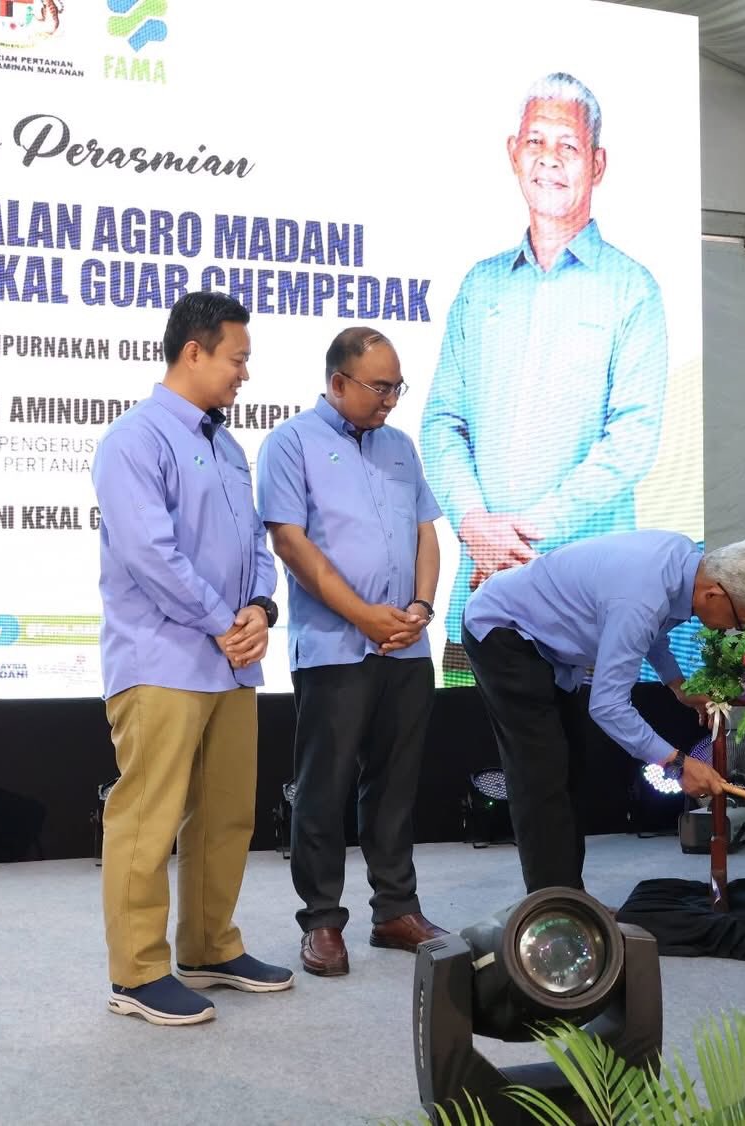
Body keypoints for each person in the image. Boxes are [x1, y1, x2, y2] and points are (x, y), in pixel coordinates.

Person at [421, 71, 669, 683]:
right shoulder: (481, 287)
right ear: (513, 152)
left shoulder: (632, 290)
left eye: (568, 146)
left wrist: (520, 543)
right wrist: (474, 524)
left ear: (598, 162)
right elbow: (441, 422)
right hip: (479, 606)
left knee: (584, 775)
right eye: (536, 142)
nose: (549, 161)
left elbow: (632, 440)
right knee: (469, 768)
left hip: (583, 615)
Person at [92, 291, 292, 1027]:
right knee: (148, 819)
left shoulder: (227, 446)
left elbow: (256, 549)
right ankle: (137, 974)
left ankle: (210, 946)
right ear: (194, 352)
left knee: (227, 816)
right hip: (162, 661)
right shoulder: (134, 440)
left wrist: (260, 611)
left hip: (229, 663)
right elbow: (151, 554)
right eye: (237, 359)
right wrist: (220, 621)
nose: (245, 373)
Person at [256, 327, 447, 977]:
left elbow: (426, 532)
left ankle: (395, 910)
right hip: (335, 645)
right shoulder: (290, 444)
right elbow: (291, 544)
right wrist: (364, 616)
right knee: (324, 786)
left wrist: (420, 609)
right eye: (379, 386)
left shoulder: (401, 447)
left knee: (395, 783)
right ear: (336, 382)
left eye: (397, 386)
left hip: (406, 647)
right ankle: (321, 921)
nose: (391, 399)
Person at [462, 533, 745, 893]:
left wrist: (678, 685)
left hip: (549, 645)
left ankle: (571, 900)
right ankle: (557, 913)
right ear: (714, 594)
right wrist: (677, 765)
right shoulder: (640, 600)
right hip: (504, 631)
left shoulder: (684, 562)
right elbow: (609, 706)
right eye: (741, 622)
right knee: (541, 776)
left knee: (569, 769)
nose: (736, 630)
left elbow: (654, 632)